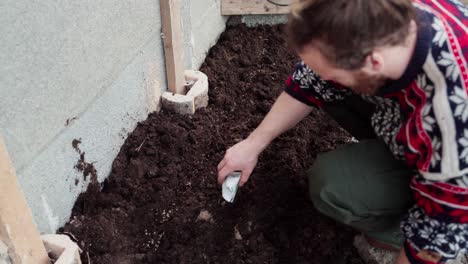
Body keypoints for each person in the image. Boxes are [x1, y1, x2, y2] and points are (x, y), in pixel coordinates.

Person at [216, 0, 468, 263]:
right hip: (412, 125)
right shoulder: (382, 21)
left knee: (336, 189)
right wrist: (253, 144)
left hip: (458, 190)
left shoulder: (452, 117)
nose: (320, 76)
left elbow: (438, 236)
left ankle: (398, 234)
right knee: (334, 86)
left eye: (330, 73)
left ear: (374, 62)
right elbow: (310, 81)